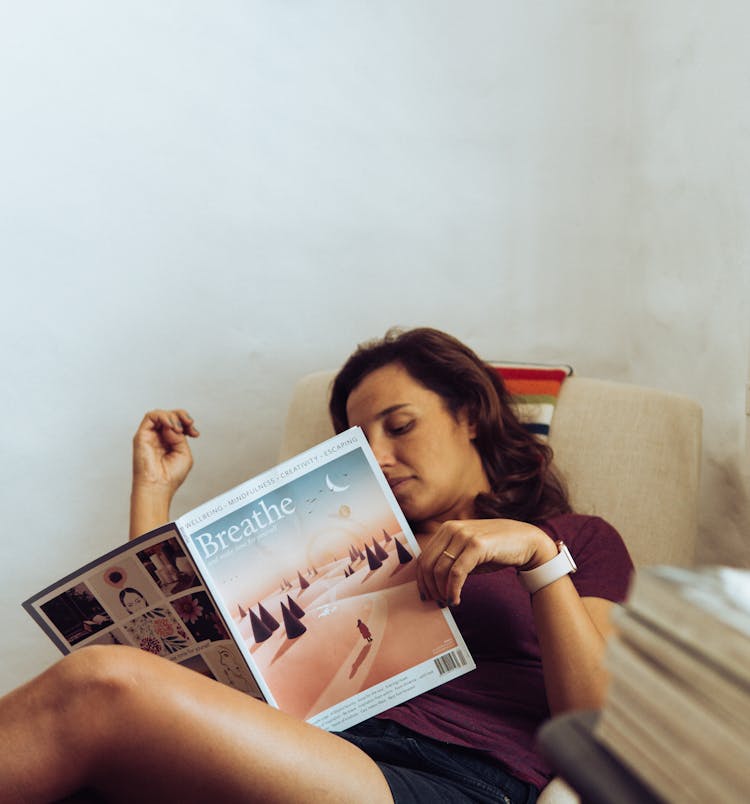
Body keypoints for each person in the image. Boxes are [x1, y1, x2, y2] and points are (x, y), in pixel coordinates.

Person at [0, 327, 633, 803]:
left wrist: (540, 558)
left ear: (468, 414)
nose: (380, 456)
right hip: (314, 747)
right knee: (99, 758)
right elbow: (184, 662)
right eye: (361, 443)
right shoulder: (348, 544)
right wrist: (152, 493)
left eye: (401, 425)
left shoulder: (573, 539)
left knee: (100, 683)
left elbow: (596, 723)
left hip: (453, 774)